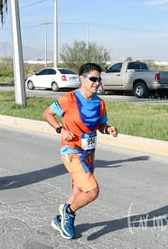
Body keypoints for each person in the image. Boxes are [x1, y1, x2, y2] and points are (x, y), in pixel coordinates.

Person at [42, 62, 118, 239]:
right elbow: (47, 114)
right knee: (92, 191)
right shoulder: (68, 99)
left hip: (89, 153)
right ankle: (68, 212)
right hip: (71, 151)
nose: (97, 82)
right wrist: (60, 130)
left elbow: (101, 125)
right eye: (93, 79)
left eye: (99, 79)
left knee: (79, 190)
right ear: (82, 79)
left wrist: (108, 129)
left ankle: (60, 219)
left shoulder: (100, 103)